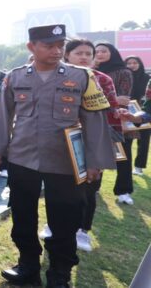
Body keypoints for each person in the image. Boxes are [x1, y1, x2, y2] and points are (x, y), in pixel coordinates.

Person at [0, 24, 114, 287]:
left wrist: (94, 161)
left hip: (65, 161)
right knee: (22, 215)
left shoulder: (83, 77)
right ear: (31, 47)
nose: (57, 51)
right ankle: (27, 266)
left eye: (61, 45)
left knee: (65, 219)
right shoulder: (15, 76)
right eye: (49, 45)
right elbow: (3, 115)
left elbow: (94, 121)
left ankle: (59, 274)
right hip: (23, 158)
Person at [58, 39, 123, 253]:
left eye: (88, 53)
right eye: (79, 53)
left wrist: (107, 145)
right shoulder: (55, 77)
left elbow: (112, 113)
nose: (84, 57)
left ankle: (82, 230)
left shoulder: (102, 80)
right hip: (61, 141)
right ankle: (54, 224)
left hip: (93, 141)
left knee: (89, 187)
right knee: (59, 186)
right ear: (67, 55)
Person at [94, 42, 135, 205]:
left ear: (113, 53)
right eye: (96, 51)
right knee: (97, 154)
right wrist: (111, 99)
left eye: (104, 51)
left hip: (118, 119)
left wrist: (111, 102)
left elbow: (123, 99)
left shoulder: (124, 72)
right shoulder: (90, 72)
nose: (100, 54)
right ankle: (94, 187)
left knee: (123, 156)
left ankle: (123, 191)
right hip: (95, 119)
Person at [125, 56, 150, 176]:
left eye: (135, 63)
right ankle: (126, 167)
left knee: (143, 140)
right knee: (127, 140)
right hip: (127, 110)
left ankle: (139, 166)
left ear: (140, 64)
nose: (132, 65)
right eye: (129, 63)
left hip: (144, 111)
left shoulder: (147, 77)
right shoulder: (124, 77)